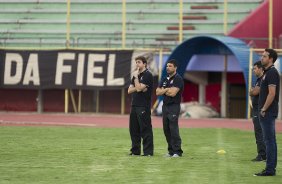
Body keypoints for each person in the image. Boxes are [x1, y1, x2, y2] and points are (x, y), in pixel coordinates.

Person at [254, 48, 279, 176]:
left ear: (270, 59)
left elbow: (272, 93)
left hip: (267, 112)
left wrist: (263, 108)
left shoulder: (272, 73)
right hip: (266, 112)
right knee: (270, 141)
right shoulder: (267, 73)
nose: (262, 58)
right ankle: (270, 169)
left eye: (264, 56)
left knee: (269, 141)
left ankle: (270, 170)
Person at [156, 59, 183, 157]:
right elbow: (157, 92)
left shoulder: (178, 79)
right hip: (165, 106)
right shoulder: (164, 79)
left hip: (174, 106)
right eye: (167, 66)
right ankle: (171, 151)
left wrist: (165, 90)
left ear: (175, 67)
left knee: (173, 128)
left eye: (170, 66)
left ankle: (177, 151)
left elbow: (173, 93)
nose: (168, 67)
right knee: (166, 129)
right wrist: (167, 89)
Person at [128, 56, 154, 156]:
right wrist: (138, 86)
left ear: (144, 64)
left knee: (145, 129)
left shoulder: (148, 75)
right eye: (136, 62)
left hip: (143, 106)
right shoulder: (136, 75)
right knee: (133, 129)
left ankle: (148, 152)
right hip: (134, 105)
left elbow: (138, 89)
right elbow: (129, 90)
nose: (137, 64)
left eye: (139, 62)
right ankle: (135, 151)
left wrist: (136, 82)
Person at [249, 61, 266, 162]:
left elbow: (254, 91)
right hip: (256, 109)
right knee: (259, 133)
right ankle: (263, 154)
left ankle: (262, 155)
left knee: (259, 133)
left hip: (259, 110)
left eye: (255, 68)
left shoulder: (261, 80)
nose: (254, 70)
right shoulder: (258, 80)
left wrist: (252, 91)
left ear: (260, 69)